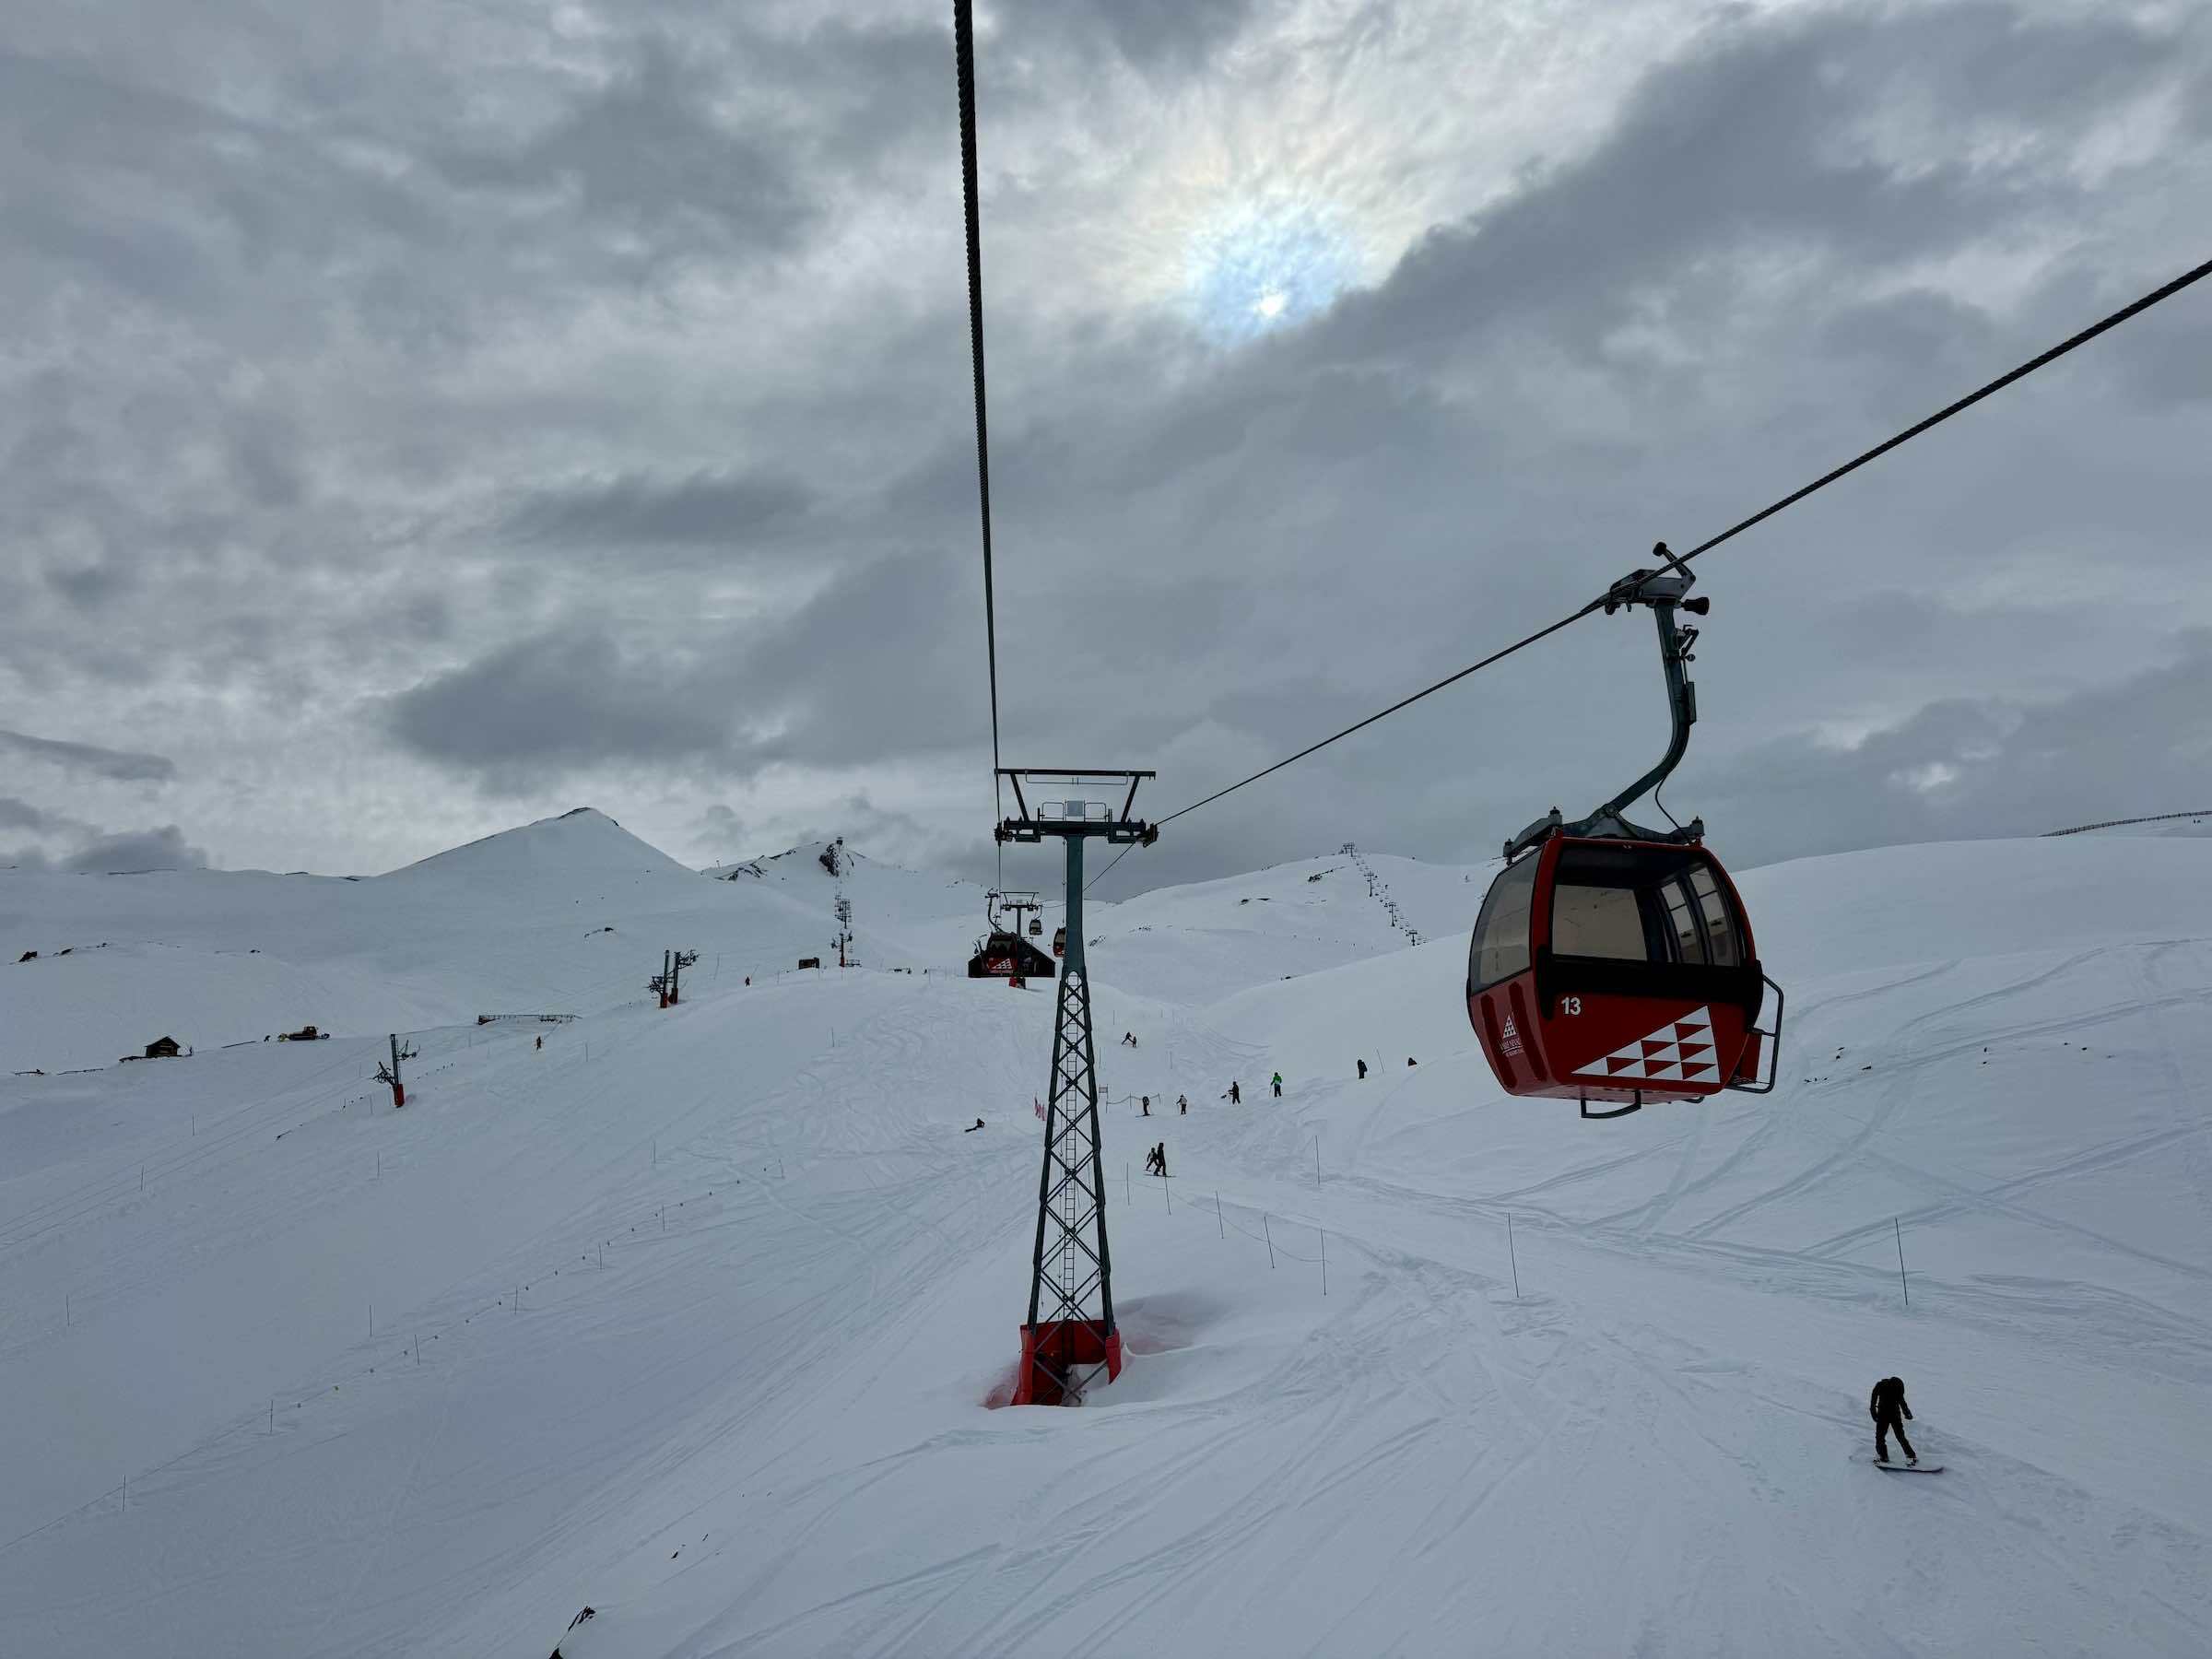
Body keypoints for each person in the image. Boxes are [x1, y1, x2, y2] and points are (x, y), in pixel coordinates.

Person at [1870, 1376, 1916, 1466]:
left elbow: (1873, 1401)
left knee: (1880, 1437)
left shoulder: (1880, 1385)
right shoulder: (1896, 1387)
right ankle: (1911, 1456)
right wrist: (1907, 1413)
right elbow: (1902, 1402)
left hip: (1883, 1415)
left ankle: (1883, 1456)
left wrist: (1873, 1413)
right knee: (1900, 1436)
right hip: (1894, 1414)